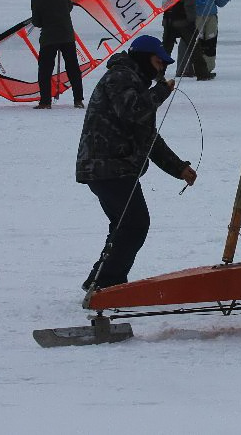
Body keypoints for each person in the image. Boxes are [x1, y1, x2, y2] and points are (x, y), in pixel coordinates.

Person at [76, 34, 197, 291]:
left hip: (113, 167)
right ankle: (107, 284)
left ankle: (101, 281)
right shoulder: (120, 77)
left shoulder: (134, 81)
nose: (162, 67)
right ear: (143, 57)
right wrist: (162, 91)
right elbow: (134, 112)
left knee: (125, 225)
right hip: (107, 166)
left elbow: (147, 136)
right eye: (158, 61)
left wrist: (178, 168)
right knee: (134, 223)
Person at [30, 0, 84, 109]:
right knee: (73, 68)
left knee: (45, 71)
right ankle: (78, 100)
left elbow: (37, 22)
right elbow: (69, 7)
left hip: (49, 38)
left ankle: (45, 102)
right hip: (67, 35)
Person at [161, 0, 211, 80]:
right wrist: (192, 20)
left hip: (168, 19)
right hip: (183, 20)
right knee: (195, 48)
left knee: (165, 50)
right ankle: (202, 74)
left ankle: (158, 74)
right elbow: (189, 3)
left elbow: (164, 0)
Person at [193, 0, 235, 78]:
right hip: (198, 16)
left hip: (211, 16)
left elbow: (220, 3)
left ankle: (208, 68)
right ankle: (197, 68)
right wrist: (196, 1)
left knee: (211, 42)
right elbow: (188, 1)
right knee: (198, 42)